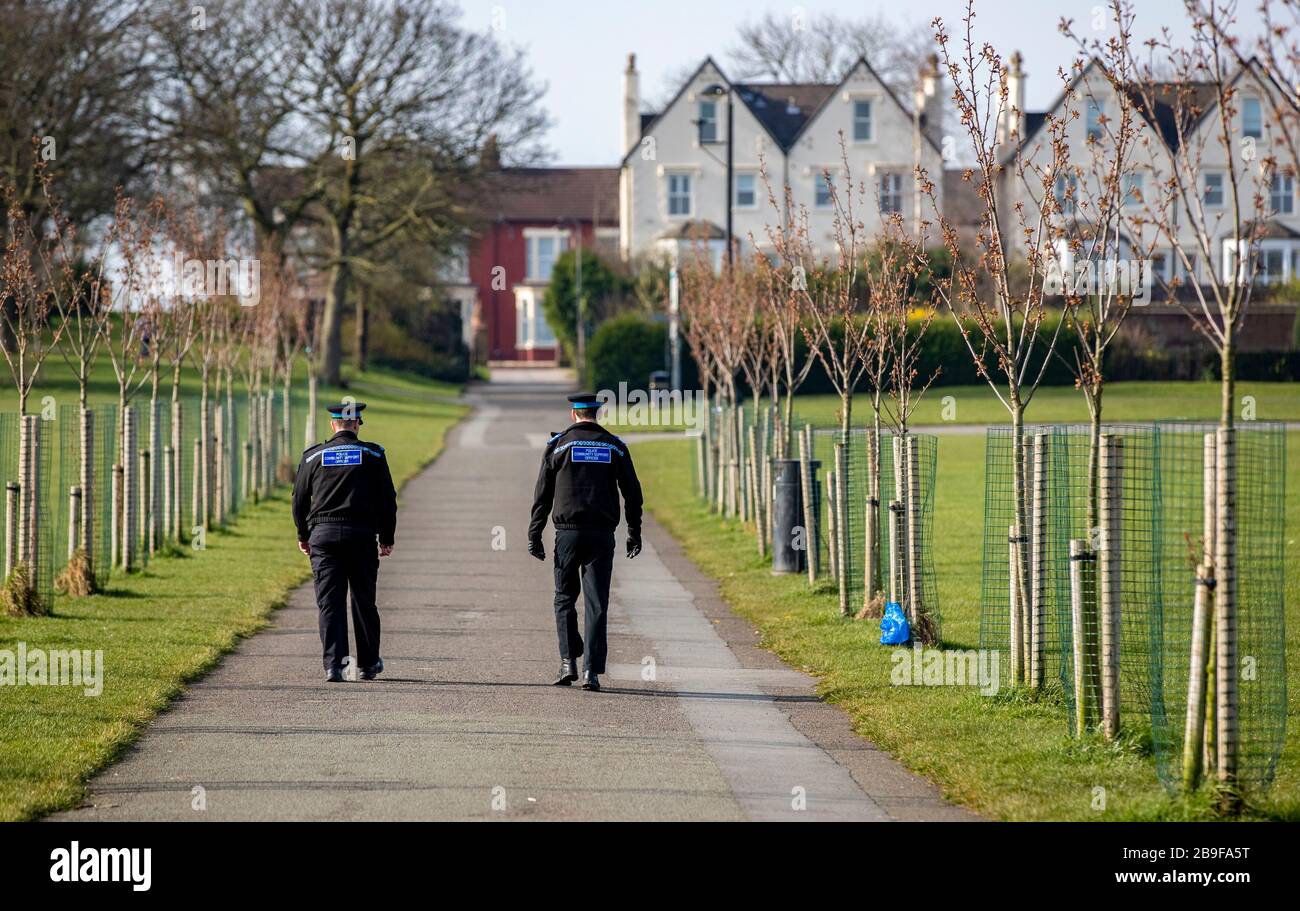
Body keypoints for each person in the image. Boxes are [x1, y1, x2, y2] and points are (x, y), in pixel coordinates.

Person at [528, 392, 643, 692]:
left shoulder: (558, 446)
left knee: (564, 597)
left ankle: (568, 663)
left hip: (567, 533)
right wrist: (634, 531)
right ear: (598, 414)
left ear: (573, 414)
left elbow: (542, 494)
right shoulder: (616, 447)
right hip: (602, 535)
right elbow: (633, 494)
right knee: (597, 603)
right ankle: (592, 671)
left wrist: (534, 534)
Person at [292, 402, 397, 683]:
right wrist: (387, 538)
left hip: (323, 538)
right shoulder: (374, 454)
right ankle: (368, 664)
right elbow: (388, 500)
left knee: (330, 603)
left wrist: (303, 535)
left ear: (333, 425)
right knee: (364, 602)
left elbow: (299, 500)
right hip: (360, 537)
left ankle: (334, 666)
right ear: (357, 424)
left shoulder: (313, 456)